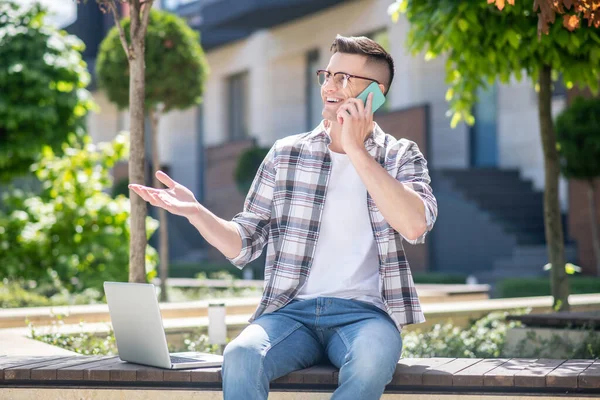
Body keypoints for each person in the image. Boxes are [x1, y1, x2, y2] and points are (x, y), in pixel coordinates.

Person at [129, 34, 437, 400]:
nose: (329, 87)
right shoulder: (286, 154)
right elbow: (245, 241)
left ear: (376, 94)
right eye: (327, 75)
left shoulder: (401, 156)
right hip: (291, 313)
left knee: (370, 361)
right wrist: (196, 212)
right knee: (241, 355)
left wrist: (355, 147)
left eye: (344, 79)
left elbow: (415, 223)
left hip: (366, 315)